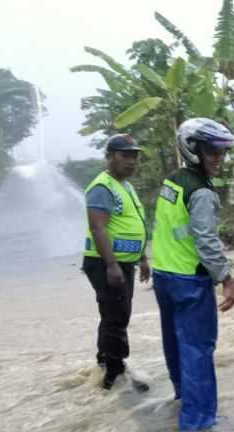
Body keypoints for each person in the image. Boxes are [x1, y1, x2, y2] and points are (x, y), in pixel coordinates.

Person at [150, 118, 234, 432]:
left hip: (164, 275)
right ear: (193, 149)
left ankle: (183, 398)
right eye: (211, 151)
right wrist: (226, 278)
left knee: (175, 342)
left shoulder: (172, 181)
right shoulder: (201, 192)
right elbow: (206, 240)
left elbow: (168, 228)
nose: (218, 158)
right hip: (189, 279)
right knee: (198, 349)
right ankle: (198, 423)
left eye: (222, 152)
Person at [82, 133, 150, 390]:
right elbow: (98, 228)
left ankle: (105, 365)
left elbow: (132, 226)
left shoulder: (125, 186)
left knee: (115, 314)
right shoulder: (103, 187)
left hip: (122, 263)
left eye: (134, 156)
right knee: (116, 317)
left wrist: (142, 258)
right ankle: (115, 375)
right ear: (109, 157)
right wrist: (111, 265)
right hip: (105, 264)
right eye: (124, 155)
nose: (131, 161)